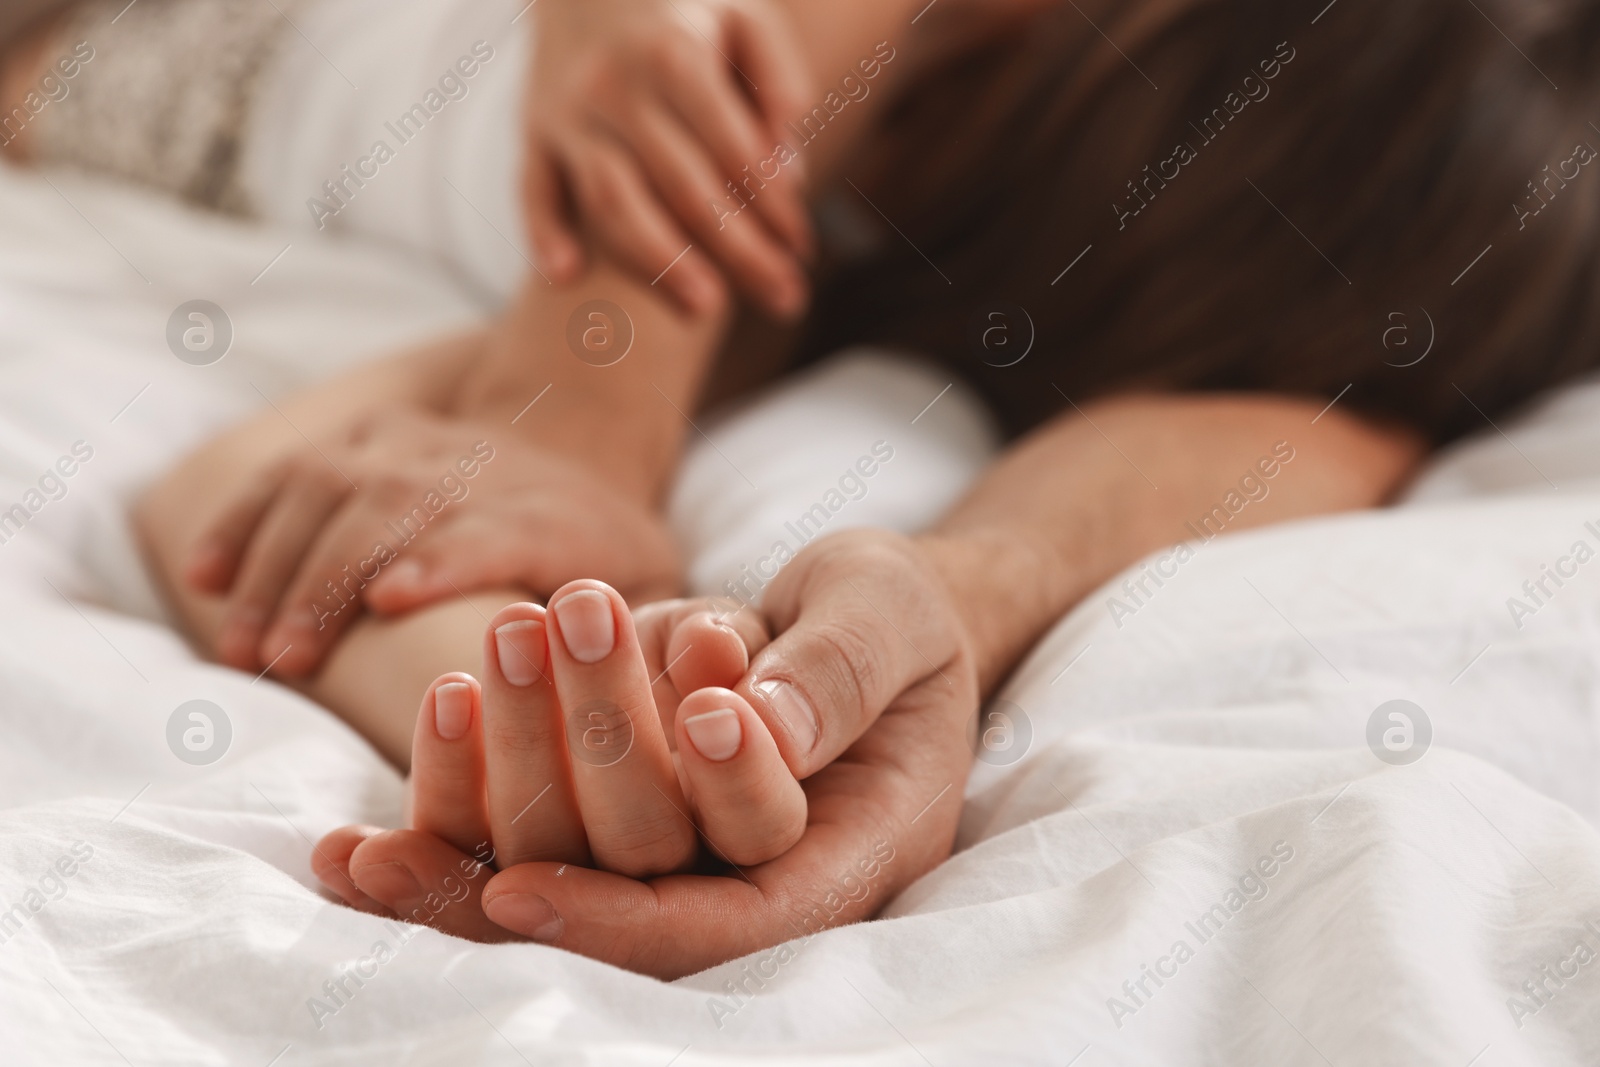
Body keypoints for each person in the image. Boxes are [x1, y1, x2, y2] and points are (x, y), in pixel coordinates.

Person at [7, 0, 1600, 977]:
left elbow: (256, 518)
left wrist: (603, 758)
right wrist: (585, 420)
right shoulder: (737, 142)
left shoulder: (799, 287)